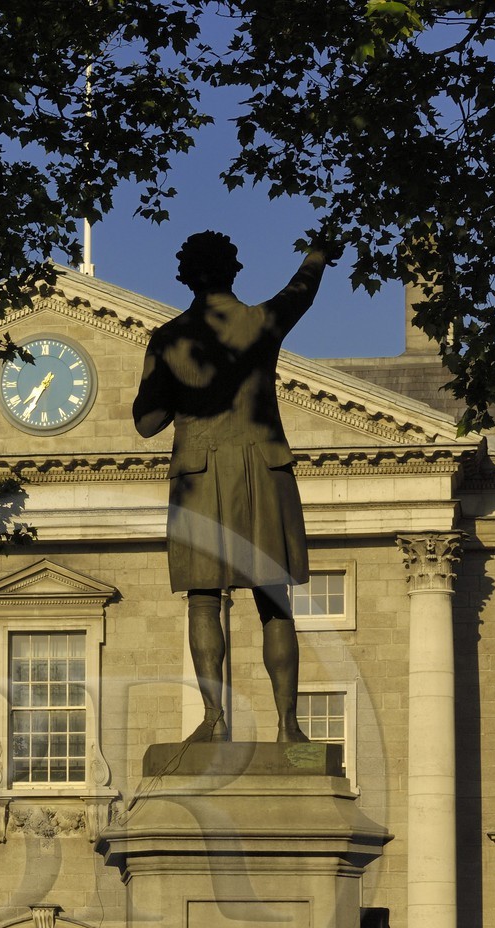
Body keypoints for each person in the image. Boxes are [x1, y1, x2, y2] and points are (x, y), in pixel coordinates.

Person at [132, 228, 336, 743]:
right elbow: (301, 292)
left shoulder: (169, 338)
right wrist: (319, 250)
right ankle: (289, 727)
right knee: (274, 598)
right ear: (233, 271)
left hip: (199, 476)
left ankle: (213, 720)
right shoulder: (261, 321)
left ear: (185, 275)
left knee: (204, 600)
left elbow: (147, 422)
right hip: (262, 470)